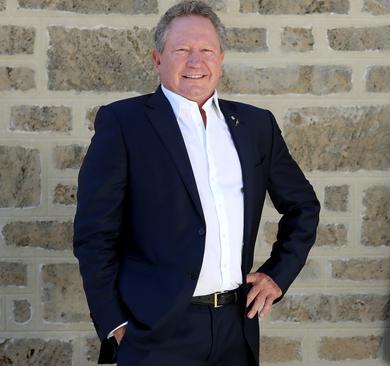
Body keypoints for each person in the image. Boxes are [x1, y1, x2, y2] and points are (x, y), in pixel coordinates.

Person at [73, 1, 320, 364]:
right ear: (158, 59)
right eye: (182, 50)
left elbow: (303, 207)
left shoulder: (255, 126)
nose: (195, 62)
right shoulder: (124, 124)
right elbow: (94, 234)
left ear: (221, 58)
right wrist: (115, 323)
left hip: (237, 328)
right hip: (154, 333)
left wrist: (277, 276)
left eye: (206, 50)